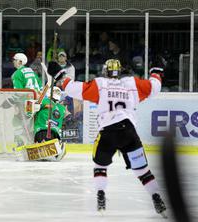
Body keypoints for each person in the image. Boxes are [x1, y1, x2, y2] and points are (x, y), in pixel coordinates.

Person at [49, 59, 167, 216]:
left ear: (105, 71)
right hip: (129, 133)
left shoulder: (100, 84)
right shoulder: (132, 83)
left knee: (100, 166)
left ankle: (101, 195)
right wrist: (156, 72)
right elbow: (154, 87)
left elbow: (72, 88)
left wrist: (59, 75)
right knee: (143, 170)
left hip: (108, 133)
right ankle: (156, 197)